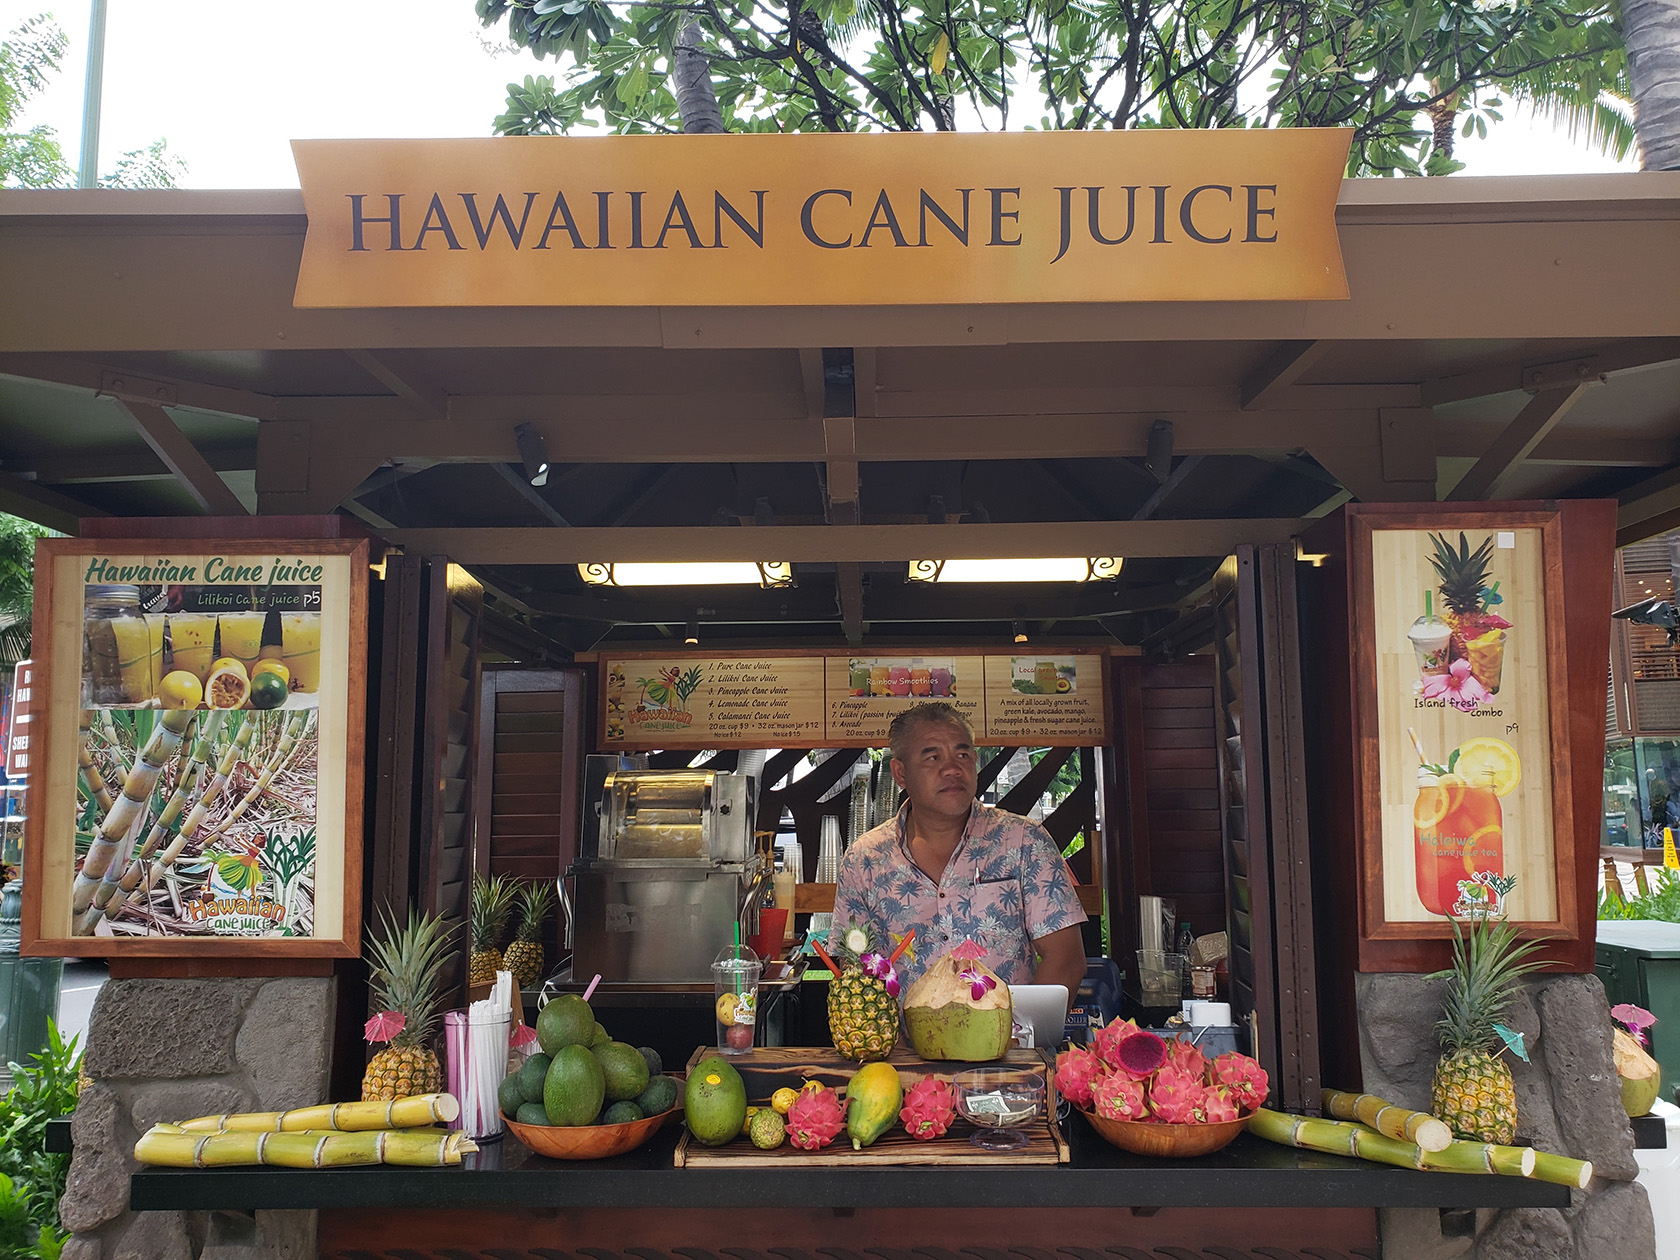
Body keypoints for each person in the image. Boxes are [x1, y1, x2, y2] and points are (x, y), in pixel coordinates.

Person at [830, 701, 1087, 997]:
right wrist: (893, 1043)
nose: (952, 768)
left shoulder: (1024, 842)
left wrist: (1020, 1035)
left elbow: (1066, 960)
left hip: (1009, 1040)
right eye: (932, 757)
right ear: (900, 773)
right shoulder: (865, 860)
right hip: (902, 1043)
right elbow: (855, 968)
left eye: (962, 754)